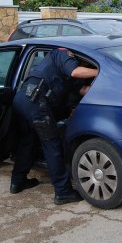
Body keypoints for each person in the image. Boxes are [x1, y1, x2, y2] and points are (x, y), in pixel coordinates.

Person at [11, 48, 98, 205]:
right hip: (36, 101)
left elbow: (83, 89)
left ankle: (18, 181)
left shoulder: (65, 67)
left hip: (23, 100)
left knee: (28, 141)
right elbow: (75, 72)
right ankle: (63, 192)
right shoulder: (62, 53)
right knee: (52, 144)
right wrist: (100, 71)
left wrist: (104, 85)